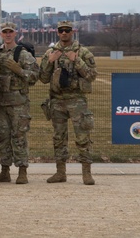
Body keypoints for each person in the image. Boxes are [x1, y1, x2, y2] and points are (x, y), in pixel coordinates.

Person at [38, 20, 98, 185]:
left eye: (67, 30)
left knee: (83, 136)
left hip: (76, 100)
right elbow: (42, 78)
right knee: (59, 138)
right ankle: (60, 172)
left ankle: (86, 173)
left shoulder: (83, 52)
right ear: (57, 32)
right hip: (57, 100)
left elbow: (92, 75)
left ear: (73, 31)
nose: (64, 33)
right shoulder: (51, 52)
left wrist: (76, 61)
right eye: (61, 30)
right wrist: (49, 61)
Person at [0, 22, 37, 184]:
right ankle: (5, 170)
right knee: (2, 137)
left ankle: (22, 170)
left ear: (15, 33)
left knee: (19, 136)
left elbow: (34, 77)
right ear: (1, 34)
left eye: (10, 32)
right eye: (5, 32)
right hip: (0, 103)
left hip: (18, 103)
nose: (8, 34)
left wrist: (19, 70)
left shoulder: (23, 54)